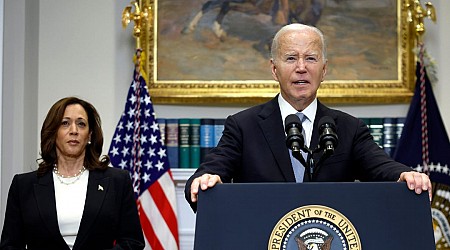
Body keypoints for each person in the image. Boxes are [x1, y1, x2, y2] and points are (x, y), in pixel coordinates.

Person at [185, 23, 432, 211]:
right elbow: (211, 170)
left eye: (311, 58)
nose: (301, 67)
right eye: (291, 58)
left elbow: (383, 167)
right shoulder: (243, 125)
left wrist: (405, 175)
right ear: (274, 69)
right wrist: (203, 180)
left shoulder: (348, 128)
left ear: (323, 70)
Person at [0, 97, 145, 250]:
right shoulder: (23, 185)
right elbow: (10, 246)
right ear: (53, 132)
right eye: (65, 123)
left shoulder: (117, 181)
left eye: (81, 124)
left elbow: (133, 242)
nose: (74, 131)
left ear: (89, 135)